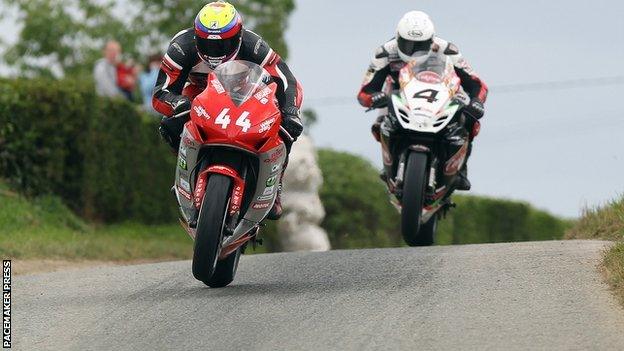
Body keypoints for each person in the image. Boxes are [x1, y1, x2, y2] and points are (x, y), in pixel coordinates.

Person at [153, 1, 303, 220]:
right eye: (207, 44)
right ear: (196, 37)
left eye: (224, 44)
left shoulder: (254, 45)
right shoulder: (181, 47)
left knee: (286, 129)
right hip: (200, 95)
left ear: (239, 36)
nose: (215, 51)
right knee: (169, 125)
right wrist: (178, 104)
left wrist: (290, 112)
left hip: (245, 95)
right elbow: (160, 93)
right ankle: (185, 175)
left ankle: (275, 187)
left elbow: (286, 79)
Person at [357, 11, 488, 191]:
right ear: (397, 38)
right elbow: (365, 91)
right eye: (407, 44)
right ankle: (390, 163)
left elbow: (477, 84)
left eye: (420, 45)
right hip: (400, 96)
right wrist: (374, 97)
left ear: (431, 40)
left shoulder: (448, 51)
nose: (412, 50)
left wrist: (476, 102)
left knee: (469, 118)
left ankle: (461, 168)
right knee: (379, 124)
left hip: (440, 95)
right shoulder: (384, 53)